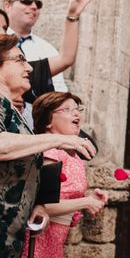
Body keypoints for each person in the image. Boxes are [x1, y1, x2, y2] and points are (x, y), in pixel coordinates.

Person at [0, 35, 96, 258]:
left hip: (11, 236)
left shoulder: (16, 114)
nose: (29, 68)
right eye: (20, 60)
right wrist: (58, 139)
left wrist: (39, 206)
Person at [21, 92, 108, 258]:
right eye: (67, 109)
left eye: (77, 109)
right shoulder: (50, 150)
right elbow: (43, 205)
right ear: (48, 121)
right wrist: (86, 202)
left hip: (56, 243)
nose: (76, 113)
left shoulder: (71, 154)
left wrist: (91, 197)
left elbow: (63, 195)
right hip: (38, 242)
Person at [1, 0, 93, 127]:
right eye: (26, 1)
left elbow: (65, 61)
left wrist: (72, 15)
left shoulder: (46, 49)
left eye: (38, 4)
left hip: (32, 131)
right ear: (7, 5)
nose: (33, 6)